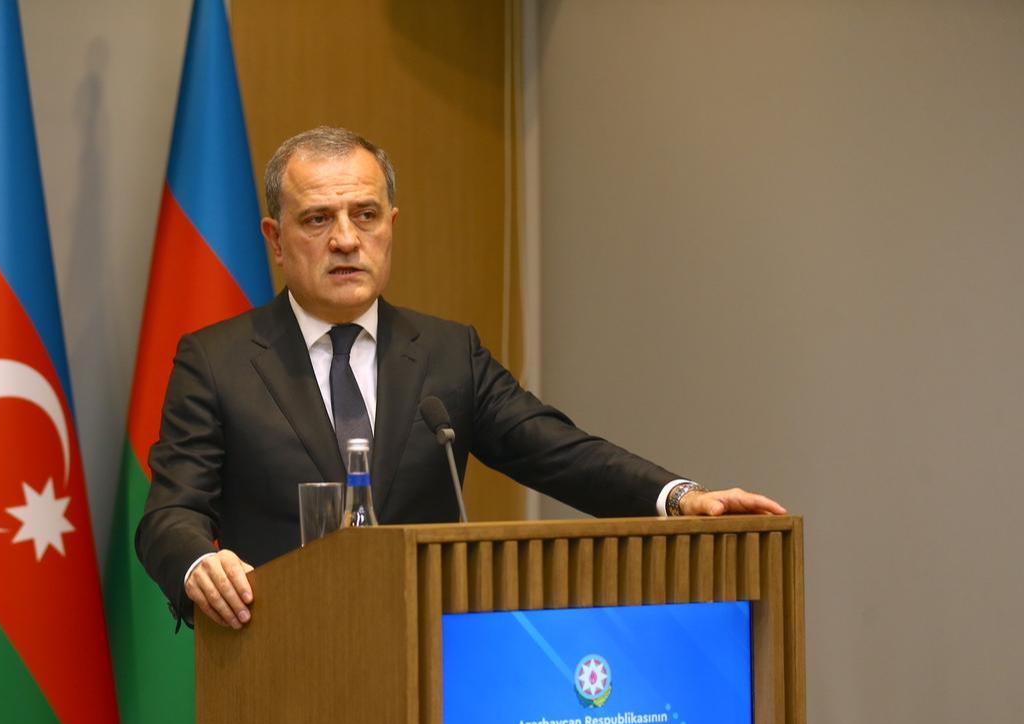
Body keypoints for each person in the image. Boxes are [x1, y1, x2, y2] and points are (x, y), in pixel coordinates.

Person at [136, 126, 785, 631]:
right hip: (278, 684)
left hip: (434, 682)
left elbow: (558, 451)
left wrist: (679, 498)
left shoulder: (447, 354)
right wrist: (198, 562)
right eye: (317, 220)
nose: (345, 239)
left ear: (392, 226)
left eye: (365, 215)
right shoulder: (216, 360)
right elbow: (169, 514)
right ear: (275, 239)